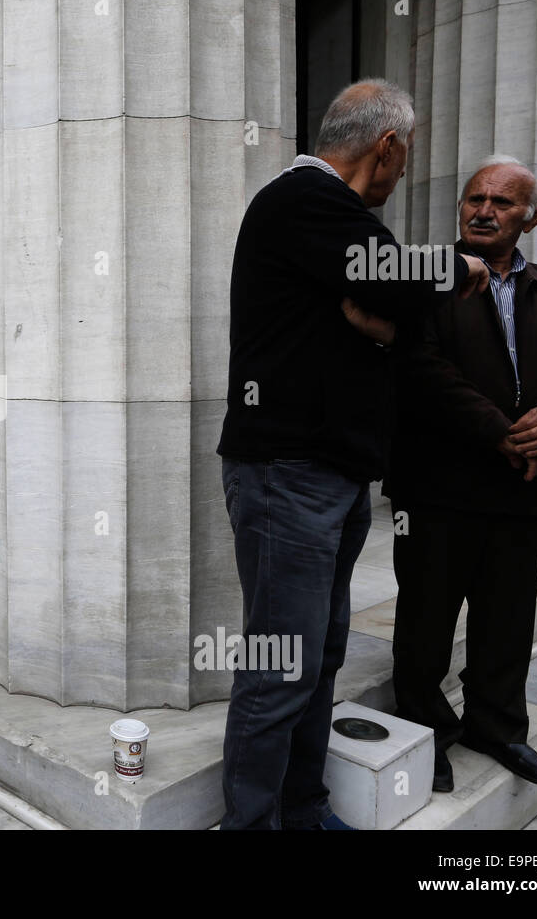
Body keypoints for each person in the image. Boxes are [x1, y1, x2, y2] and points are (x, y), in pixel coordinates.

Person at [215, 78, 489, 829]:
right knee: (281, 669)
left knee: (321, 658)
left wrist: (387, 327)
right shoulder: (305, 199)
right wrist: (462, 267)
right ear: (388, 146)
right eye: (407, 158)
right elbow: (396, 281)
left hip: (327, 476)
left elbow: (390, 312)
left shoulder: (332, 222)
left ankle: (303, 809)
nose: (403, 175)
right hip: (287, 476)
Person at [386, 156, 537, 792]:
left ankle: (499, 727)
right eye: (474, 198)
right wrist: (499, 430)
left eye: (502, 203)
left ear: (531, 218)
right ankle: (425, 731)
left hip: (523, 488)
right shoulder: (428, 275)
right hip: (437, 487)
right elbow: (418, 367)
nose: (483, 210)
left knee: (507, 618)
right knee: (426, 619)